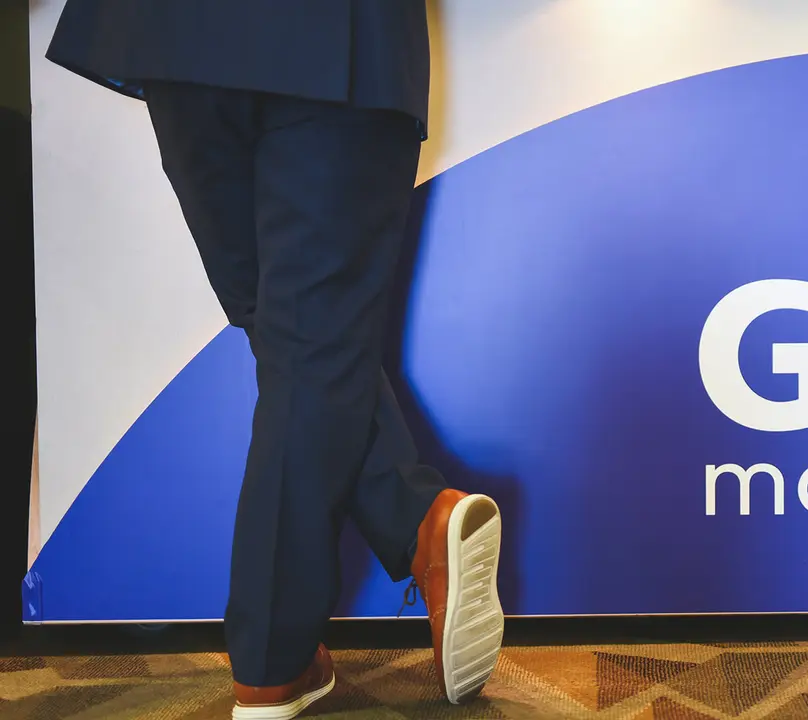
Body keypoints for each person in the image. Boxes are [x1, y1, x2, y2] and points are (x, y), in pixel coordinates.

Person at [43, 1, 505, 717]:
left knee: (288, 331)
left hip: (175, 33)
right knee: (306, 338)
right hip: (335, 32)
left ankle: (407, 531)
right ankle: (277, 652)